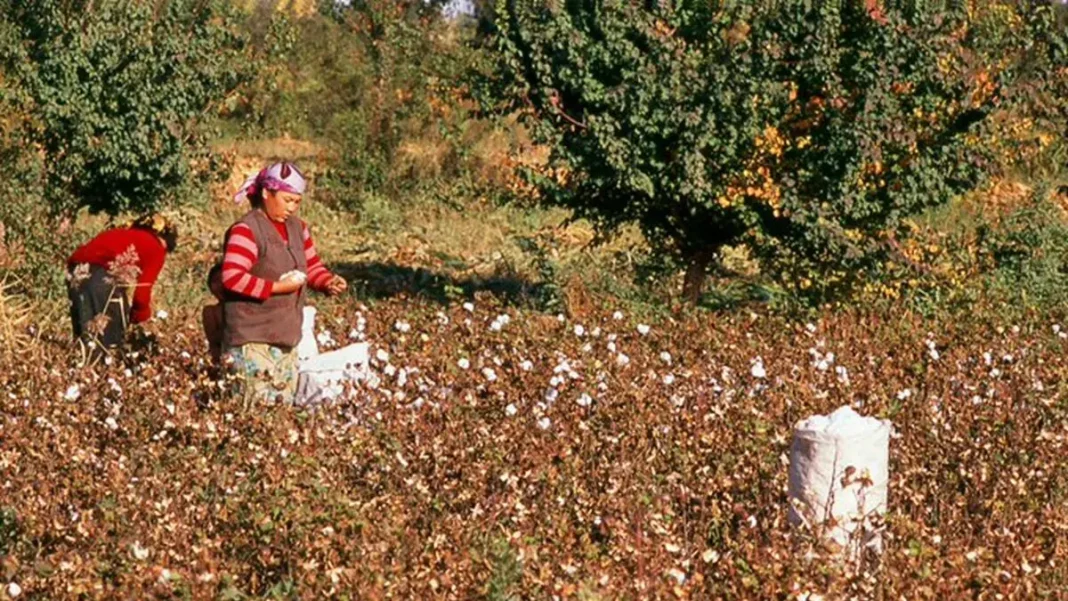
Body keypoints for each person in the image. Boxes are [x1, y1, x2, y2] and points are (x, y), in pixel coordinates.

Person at [220, 161, 347, 404]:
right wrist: (278, 288)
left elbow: (311, 267)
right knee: (254, 415)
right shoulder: (247, 230)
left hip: (286, 339)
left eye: (297, 202)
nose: (292, 207)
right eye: (287, 200)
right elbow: (232, 277)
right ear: (267, 193)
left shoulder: (299, 229)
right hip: (251, 341)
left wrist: (328, 281)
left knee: (279, 413)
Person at [66, 213, 178, 354]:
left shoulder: (118, 233)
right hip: (102, 277)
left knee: (85, 339)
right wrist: (139, 319)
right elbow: (141, 295)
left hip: (75, 272)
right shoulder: (156, 247)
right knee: (110, 345)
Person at [202, 262, 225, 368]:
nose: (219, 285)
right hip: (222, 361)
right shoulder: (210, 311)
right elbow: (213, 338)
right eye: (215, 281)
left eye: (222, 280)